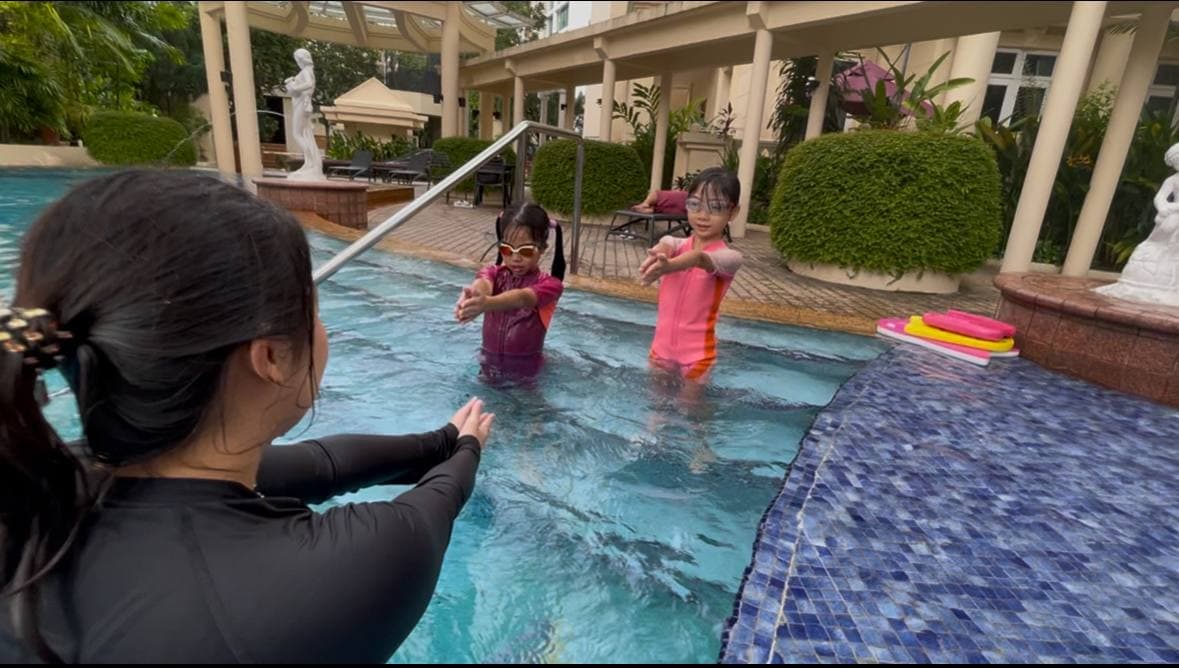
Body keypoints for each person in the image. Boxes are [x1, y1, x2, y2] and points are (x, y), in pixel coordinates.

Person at [0, 170, 494, 663]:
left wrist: (443, 438)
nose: (322, 331)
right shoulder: (355, 571)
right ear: (271, 357)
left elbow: (320, 465)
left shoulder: (52, 485)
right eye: (314, 311)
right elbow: (426, 511)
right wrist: (468, 449)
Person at [639, 168, 744, 382]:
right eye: (695, 204)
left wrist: (669, 266)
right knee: (655, 413)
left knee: (691, 412)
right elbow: (670, 241)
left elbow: (699, 258)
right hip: (660, 351)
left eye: (715, 207)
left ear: (733, 212)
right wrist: (662, 249)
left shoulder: (730, 258)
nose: (703, 216)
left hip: (698, 358)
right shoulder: (676, 246)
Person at [456, 203, 565, 376]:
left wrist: (487, 304)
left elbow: (522, 298)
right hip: (488, 364)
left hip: (526, 370)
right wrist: (474, 297)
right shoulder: (493, 272)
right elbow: (483, 284)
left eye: (526, 251)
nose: (515, 258)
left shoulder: (551, 285)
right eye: (507, 249)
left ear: (543, 248)